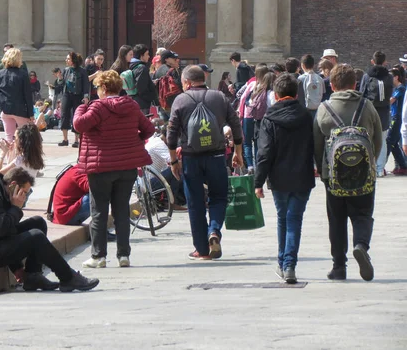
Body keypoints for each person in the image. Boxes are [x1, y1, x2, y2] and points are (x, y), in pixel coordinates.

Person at [0, 167, 100, 292]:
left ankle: (33, 276)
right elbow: (2, 229)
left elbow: (6, 230)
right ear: (13, 186)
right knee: (35, 236)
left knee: (38, 223)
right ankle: (68, 278)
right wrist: (16, 208)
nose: (24, 197)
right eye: (23, 192)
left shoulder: (1, 191)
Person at [73, 70, 154, 268]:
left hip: (101, 168)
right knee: (121, 210)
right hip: (127, 167)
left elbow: (79, 125)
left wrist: (80, 108)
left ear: (104, 88)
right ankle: (123, 255)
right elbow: (149, 129)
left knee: (99, 211)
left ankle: (98, 256)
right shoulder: (132, 106)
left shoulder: (98, 107)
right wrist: (131, 141)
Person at [314, 64, 383, 281]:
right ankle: (361, 245)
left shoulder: (324, 108)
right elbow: (378, 140)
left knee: (337, 219)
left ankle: (339, 267)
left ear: (332, 85)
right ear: (355, 84)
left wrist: (323, 170)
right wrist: (369, 162)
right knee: (362, 213)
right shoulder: (367, 106)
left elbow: (317, 145)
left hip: (333, 176)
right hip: (363, 172)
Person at [167, 65, 243, 260]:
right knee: (219, 197)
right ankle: (214, 231)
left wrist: (174, 161)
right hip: (217, 156)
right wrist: (237, 152)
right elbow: (235, 124)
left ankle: (201, 249)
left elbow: (171, 134)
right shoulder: (219, 97)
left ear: (186, 82)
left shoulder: (181, 100)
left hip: (191, 158)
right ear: (203, 79)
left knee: (195, 202)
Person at [255, 73, 315, 284]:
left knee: (283, 218)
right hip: (302, 176)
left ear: (276, 95)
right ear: (296, 93)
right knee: (294, 219)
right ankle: (288, 264)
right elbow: (315, 145)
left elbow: (265, 152)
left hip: (278, 177)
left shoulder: (269, 118)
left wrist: (258, 181)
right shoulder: (307, 116)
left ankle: (284, 264)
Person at [360, 51, 394, 177]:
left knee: (368, 138)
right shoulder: (389, 76)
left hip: (369, 110)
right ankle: (380, 169)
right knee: (383, 139)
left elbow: (362, 93)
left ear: (372, 61)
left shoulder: (367, 76)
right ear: (385, 62)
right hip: (384, 111)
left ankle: (370, 167)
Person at [0, 48, 34, 144]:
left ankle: (9, 158)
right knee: (24, 138)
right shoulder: (23, 75)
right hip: (20, 110)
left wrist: (0, 99)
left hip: (5, 110)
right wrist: (31, 113)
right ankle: (22, 158)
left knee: (9, 138)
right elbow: (28, 95)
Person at [59, 52, 89, 148]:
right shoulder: (66, 70)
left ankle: (76, 140)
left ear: (73, 60)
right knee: (64, 115)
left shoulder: (82, 71)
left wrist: (86, 96)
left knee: (76, 116)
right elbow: (61, 84)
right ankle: (65, 139)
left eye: (68, 59)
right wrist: (60, 79)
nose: (66, 60)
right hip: (67, 94)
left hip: (78, 95)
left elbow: (86, 85)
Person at [387, 67, 407, 174]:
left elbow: (391, 101)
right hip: (394, 116)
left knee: (389, 141)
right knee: (394, 143)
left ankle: (380, 166)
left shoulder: (401, 88)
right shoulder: (396, 88)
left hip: (398, 117)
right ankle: (402, 165)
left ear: (396, 77)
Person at [129, 44, 158, 114]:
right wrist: (151, 96)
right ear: (141, 56)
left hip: (134, 101)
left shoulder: (131, 65)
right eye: (147, 54)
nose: (149, 56)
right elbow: (141, 88)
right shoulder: (142, 68)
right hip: (142, 105)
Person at [297, 54, 325, 120]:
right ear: (313, 65)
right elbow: (323, 94)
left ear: (302, 65)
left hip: (304, 111)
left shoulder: (300, 79)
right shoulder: (320, 79)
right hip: (318, 110)